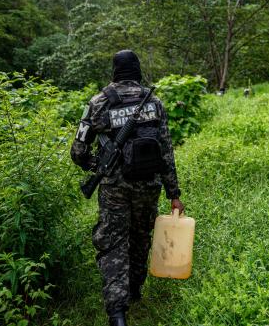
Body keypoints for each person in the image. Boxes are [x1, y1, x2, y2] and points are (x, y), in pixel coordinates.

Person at [70, 50, 185, 326]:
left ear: (114, 71)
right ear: (137, 70)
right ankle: (133, 290)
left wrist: (95, 165)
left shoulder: (98, 103)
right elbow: (166, 152)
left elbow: (78, 151)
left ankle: (117, 312)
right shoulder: (154, 103)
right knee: (140, 237)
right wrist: (174, 195)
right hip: (148, 186)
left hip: (114, 188)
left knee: (113, 243)